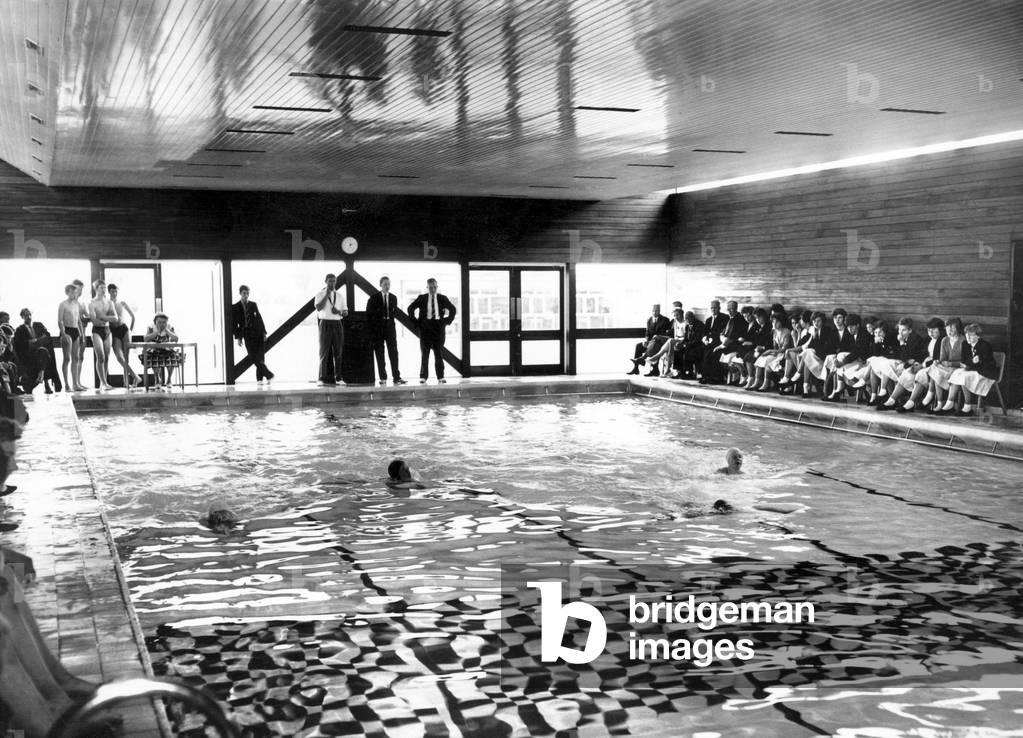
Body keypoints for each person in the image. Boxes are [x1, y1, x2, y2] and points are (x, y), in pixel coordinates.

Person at [887, 317, 944, 412]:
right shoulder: (928, 339)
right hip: (924, 363)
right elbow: (921, 353)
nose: (931, 332)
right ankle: (892, 399)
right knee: (908, 372)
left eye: (934, 330)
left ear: (940, 330)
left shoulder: (943, 340)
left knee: (920, 374)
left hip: (935, 366)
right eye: (929, 330)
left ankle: (911, 402)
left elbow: (938, 357)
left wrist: (922, 365)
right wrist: (917, 362)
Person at [942, 323, 999, 417]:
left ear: (978, 336)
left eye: (971, 336)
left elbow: (985, 364)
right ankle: (949, 403)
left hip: (986, 372)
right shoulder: (965, 344)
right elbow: (964, 360)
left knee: (965, 376)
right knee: (956, 373)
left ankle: (967, 407)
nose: (968, 338)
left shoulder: (985, 345)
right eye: (966, 335)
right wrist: (971, 362)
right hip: (972, 369)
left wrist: (970, 364)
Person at [869, 317, 927, 410]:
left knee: (894, 367)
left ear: (910, 330)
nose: (900, 332)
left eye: (903, 330)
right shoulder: (902, 337)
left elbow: (906, 357)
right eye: (899, 329)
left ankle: (890, 399)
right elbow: (901, 356)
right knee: (885, 363)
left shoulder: (915, 339)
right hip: (904, 363)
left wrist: (901, 343)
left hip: (915, 366)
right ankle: (886, 394)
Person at [407, 278, 457, 383]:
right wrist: (416, 322)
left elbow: (453, 309)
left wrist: (446, 321)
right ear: (427, 288)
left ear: (437, 287)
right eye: (431, 287)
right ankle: (423, 377)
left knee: (439, 353)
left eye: (435, 287)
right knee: (425, 354)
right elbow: (410, 308)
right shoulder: (422, 298)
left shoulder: (443, 298)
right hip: (425, 328)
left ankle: (440, 376)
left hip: (438, 328)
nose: (433, 289)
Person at [366, 276, 405, 385]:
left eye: (388, 284)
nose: (387, 286)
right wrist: (373, 329)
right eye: (385, 284)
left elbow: (394, 313)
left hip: (390, 328)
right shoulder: (374, 298)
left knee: (393, 352)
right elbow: (368, 314)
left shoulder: (394, 298)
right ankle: (383, 378)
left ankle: (396, 377)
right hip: (378, 328)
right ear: (380, 285)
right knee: (380, 353)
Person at [232, 285, 274, 384]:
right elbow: (235, 324)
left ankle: (259, 379)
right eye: (244, 293)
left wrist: (264, 333)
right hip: (247, 334)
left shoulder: (253, 305)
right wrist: (239, 337)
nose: (246, 296)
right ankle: (268, 374)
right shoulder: (235, 307)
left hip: (258, 333)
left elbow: (259, 319)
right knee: (252, 356)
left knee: (260, 356)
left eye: (247, 293)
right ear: (240, 294)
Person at [924, 317, 967, 414]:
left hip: (958, 367)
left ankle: (947, 404)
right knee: (935, 369)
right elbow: (943, 358)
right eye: (947, 328)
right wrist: (939, 361)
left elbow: (964, 360)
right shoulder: (944, 340)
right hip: (947, 367)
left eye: (952, 328)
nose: (949, 331)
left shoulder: (963, 340)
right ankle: (940, 403)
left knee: (952, 373)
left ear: (958, 328)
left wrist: (951, 363)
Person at [12, 309, 57, 395]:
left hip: (41, 352)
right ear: (22, 317)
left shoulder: (38, 325)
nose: (28, 317)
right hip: (29, 355)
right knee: (43, 354)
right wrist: (38, 340)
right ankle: (43, 378)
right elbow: (22, 344)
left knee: (44, 352)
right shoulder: (20, 329)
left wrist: (34, 341)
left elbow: (47, 336)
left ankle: (44, 378)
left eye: (29, 315)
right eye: (26, 315)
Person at [314, 274, 347, 386]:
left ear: (336, 281)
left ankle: (338, 377)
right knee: (324, 351)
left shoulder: (340, 296)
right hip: (325, 323)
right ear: (326, 282)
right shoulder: (320, 294)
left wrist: (339, 312)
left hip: (337, 323)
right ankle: (321, 378)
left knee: (338, 352)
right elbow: (318, 307)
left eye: (334, 281)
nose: (332, 283)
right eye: (330, 281)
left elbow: (345, 312)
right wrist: (326, 295)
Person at [701, 300, 745, 384]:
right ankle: (707, 376)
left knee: (715, 352)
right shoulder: (731, 318)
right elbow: (724, 332)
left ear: (736, 308)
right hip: (724, 342)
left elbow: (734, 336)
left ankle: (717, 378)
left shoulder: (738, 319)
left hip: (733, 344)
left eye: (731, 309)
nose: (729, 311)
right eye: (728, 309)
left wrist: (721, 344)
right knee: (706, 351)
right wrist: (705, 339)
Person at [106, 284, 140, 389]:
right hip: (114, 331)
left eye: (116, 291)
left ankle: (126, 382)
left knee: (126, 357)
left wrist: (130, 330)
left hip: (124, 330)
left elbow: (133, 316)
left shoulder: (122, 303)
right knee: (120, 358)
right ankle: (135, 376)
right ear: (109, 292)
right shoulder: (107, 304)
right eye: (112, 291)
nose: (114, 293)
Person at [751, 312, 793, 391]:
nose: (773, 323)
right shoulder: (775, 332)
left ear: (780, 322)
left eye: (775, 321)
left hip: (785, 355)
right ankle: (757, 382)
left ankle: (766, 384)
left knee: (767, 360)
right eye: (772, 321)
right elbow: (775, 347)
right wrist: (770, 352)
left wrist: (770, 351)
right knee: (762, 358)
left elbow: (784, 348)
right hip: (777, 354)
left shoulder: (786, 332)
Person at [88, 280, 117, 391]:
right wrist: (105, 318)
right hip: (97, 331)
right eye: (101, 288)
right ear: (96, 289)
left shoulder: (109, 302)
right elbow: (94, 321)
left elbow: (115, 318)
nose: (104, 290)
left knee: (107, 358)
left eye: (105, 288)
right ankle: (104, 383)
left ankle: (103, 383)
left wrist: (103, 317)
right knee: (101, 357)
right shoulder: (92, 303)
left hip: (107, 330)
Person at [627, 304, 672, 376]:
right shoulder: (649, 320)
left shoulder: (665, 320)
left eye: (656, 311)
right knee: (638, 346)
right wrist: (646, 341)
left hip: (660, 342)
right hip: (651, 342)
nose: (654, 313)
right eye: (653, 311)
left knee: (654, 346)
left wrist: (655, 339)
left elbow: (665, 334)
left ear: (659, 311)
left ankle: (654, 370)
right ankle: (636, 367)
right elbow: (647, 333)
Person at [57, 285, 86, 392]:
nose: (74, 294)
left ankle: (75, 384)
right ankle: (67, 384)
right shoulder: (63, 304)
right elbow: (60, 321)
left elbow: (78, 321)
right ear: (68, 292)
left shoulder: (76, 305)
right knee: (67, 358)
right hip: (67, 331)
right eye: (72, 292)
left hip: (75, 331)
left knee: (76, 358)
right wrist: (63, 334)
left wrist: (82, 334)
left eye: (75, 292)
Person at [143, 313, 179, 387]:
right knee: (153, 357)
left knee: (173, 356)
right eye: (159, 322)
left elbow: (176, 339)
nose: (162, 324)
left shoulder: (170, 327)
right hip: (155, 349)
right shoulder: (151, 327)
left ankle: (169, 379)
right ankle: (157, 379)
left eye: (164, 322)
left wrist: (167, 331)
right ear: (155, 322)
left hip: (167, 349)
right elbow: (145, 339)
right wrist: (156, 332)